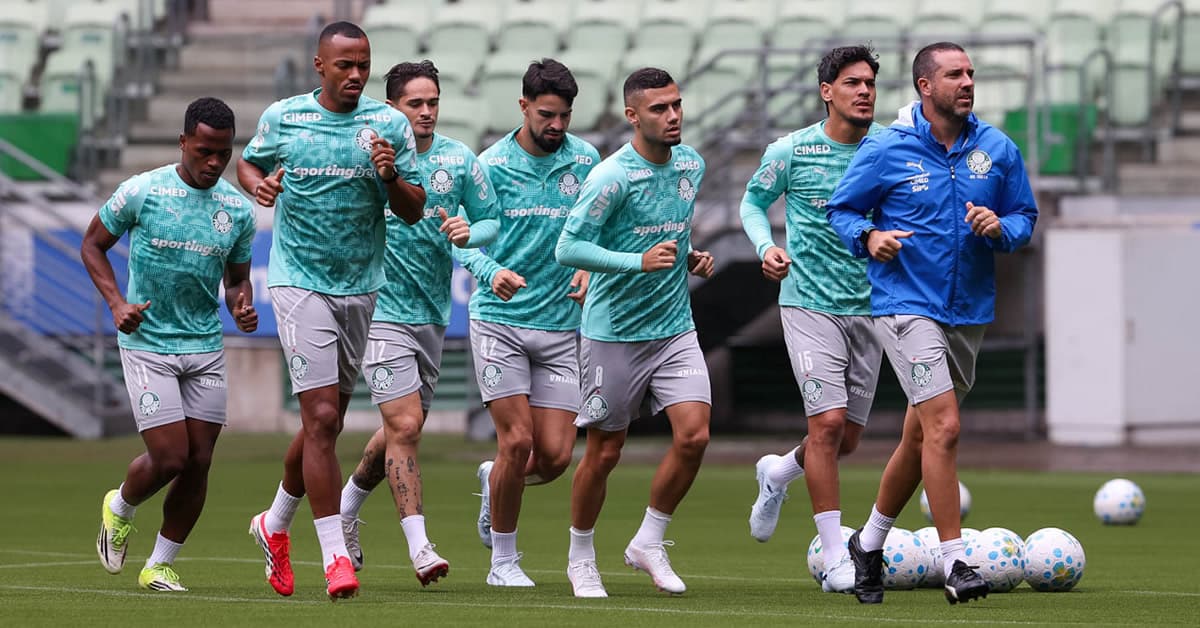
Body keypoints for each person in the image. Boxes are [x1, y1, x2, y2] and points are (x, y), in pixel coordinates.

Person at [826, 41, 1038, 605]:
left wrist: (1002, 229)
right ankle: (956, 562)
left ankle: (867, 544)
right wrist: (868, 237)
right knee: (944, 427)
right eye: (954, 74)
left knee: (920, 436)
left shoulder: (997, 149)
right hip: (903, 306)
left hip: (968, 312)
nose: (967, 82)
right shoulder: (886, 149)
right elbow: (842, 210)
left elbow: (1025, 217)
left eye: (971, 72)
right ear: (925, 86)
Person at [237, 21, 426, 600]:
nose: (356, 75)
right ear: (320, 66)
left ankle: (272, 522)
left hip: (361, 285)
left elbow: (414, 210)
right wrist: (257, 186)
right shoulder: (284, 117)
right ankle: (335, 558)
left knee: (329, 421)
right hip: (299, 282)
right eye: (344, 65)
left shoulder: (388, 125)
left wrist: (391, 175)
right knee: (321, 421)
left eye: (363, 64)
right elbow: (246, 163)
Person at [334, 59, 498, 586]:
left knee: (398, 431)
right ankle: (420, 546)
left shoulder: (459, 158)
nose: (426, 113)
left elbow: (490, 217)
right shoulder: (367, 158)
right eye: (415, 104)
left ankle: (345, 508)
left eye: (433, 103)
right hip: (377, 312)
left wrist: (470, 234)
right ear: (392, 109)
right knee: (405, 427)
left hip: (431, 315)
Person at [85, 97, 258, 592]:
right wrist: (118, 303)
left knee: (200, 459)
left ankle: (159, 564)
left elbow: (236, 280)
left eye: (222, 154)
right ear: (183, 142)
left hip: (204, 344)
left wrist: (240, 304)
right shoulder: (142, 191)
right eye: (204, 150)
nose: (213, 162)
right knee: (170, 458)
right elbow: (91, 244)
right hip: (149, 343)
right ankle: (119, 507)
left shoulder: (235, 211)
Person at [556, 67, 716, 599]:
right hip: (613, 333)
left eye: (676, 105)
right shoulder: (610, 177)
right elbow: (569, 249)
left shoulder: (691, 164)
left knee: (694, 434)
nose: (673, 116)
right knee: (604, 453)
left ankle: (649, 540)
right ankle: (581, 557)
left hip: (673, 328)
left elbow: (671, 231)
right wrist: (637, 262)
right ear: (632, 116)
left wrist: (688, 257)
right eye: (659, 109)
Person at [740, 45, 885, 594]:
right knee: (826, 426)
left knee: (844, 439)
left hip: (870, 309)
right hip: (807, 304)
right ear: (827, 91)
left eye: (870, 82)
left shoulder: (890, 150)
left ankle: (778, 472)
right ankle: (835, 557)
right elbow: (753, 202)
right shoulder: (792, 150)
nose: (865, 91)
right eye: (852, 82)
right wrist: (764, 246)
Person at [454, 58, 600, 587]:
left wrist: (587, 267)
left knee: (557, 457)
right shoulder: (489, 166)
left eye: (563, 115)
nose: (556, 126)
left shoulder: (585, 160)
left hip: (562, 328)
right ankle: (503, 563)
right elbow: (463, 238)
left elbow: (597, 228)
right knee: (516, 442)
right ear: (522, 106)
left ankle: (496, 482)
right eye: (546, 114)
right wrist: (491, 273)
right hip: (500, 323)